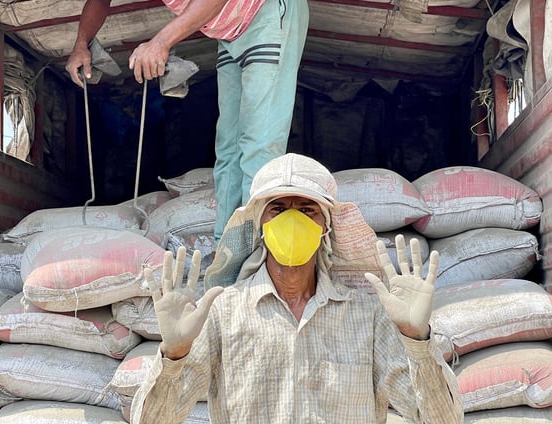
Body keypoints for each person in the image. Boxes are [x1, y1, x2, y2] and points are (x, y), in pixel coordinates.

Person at [59, 0, 309, 240]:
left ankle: (260, 254)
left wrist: (161, 42)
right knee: (227, 149)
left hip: (268, 4)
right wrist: (81, 44)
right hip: (230, 32)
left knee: (259, 145)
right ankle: (231, 246)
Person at [131, 153, 463, 423]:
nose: (293, 221)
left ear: (326, 226)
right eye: (278, 209)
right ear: (260, 225)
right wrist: (173, 355)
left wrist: (417, 341)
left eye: (307, 210)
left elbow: (441, 420)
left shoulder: (368, 315)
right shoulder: (223, 312)